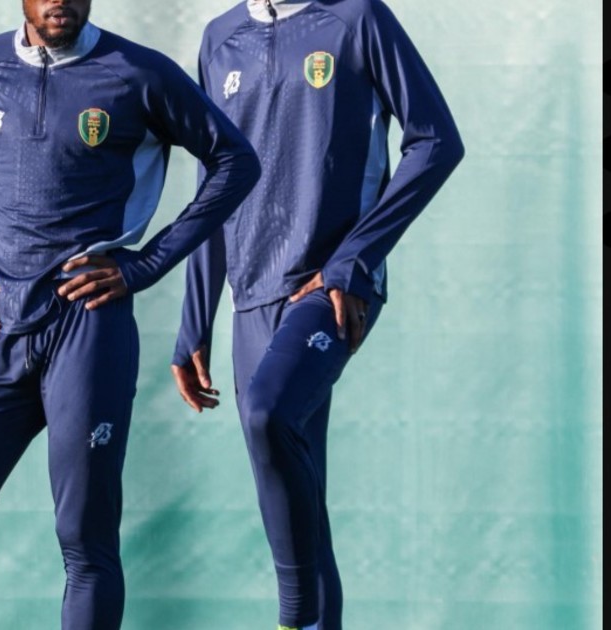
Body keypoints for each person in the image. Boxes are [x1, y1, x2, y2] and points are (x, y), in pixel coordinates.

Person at [0, 0, 261, 627]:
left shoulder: (137, 73)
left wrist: (146, 263)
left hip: (88, 328)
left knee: (85, 539)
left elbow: (235, 160)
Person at [171, 1, 465, 628]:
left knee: (267, 413)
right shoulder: (220, 38)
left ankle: (293, 616)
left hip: (329, 287)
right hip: (251, 293)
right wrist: (196, 317)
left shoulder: (356, 17)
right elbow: (215, 183)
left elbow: (437, 140)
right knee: (296, 502)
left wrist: (353, 260)